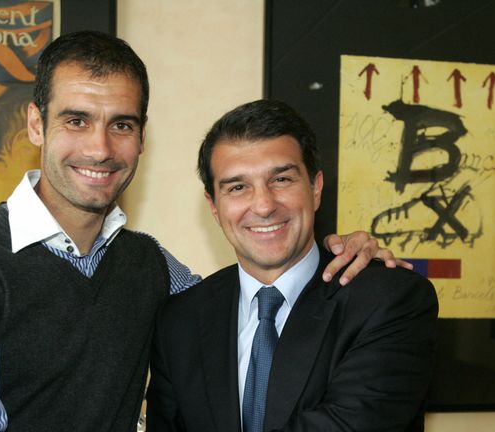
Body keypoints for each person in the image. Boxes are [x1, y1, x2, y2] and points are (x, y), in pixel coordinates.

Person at [0, 32, 405, 431]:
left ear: (142, 137)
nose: (100, 148)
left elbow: (253, 297)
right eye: (77, 121)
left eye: (121, 125)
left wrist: (338, 251)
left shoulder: (151, 264)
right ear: (37, 125)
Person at [146, 100, 439, 432]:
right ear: (214, 206)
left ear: (315, 188)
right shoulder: (179, 321)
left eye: (281, 179)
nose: (264, 205)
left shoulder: (389, 299)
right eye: (238, 187)